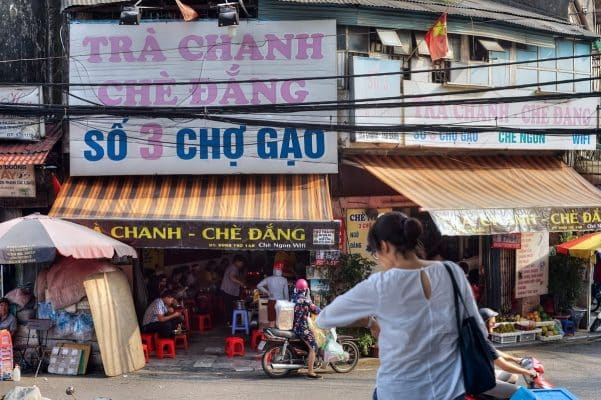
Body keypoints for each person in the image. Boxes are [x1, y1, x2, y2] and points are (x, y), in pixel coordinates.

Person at [316, 211, 481, 400]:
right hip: (450, 391)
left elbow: (325, 318)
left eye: (375, 252)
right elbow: (478, 328)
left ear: (385, 246)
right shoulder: (452, 272)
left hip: (399, 392)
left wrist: (370, 323)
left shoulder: (380, 284)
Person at [479, 308, 538, 399]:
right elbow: (504, 366)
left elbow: (495, 352)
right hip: (482, 383)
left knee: (513, 376)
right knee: (523, 393)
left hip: (481, 375)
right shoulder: (482, 341)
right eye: (492, 323)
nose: (494, 324)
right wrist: (528, 372)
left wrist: (516, 359)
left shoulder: (478, 336)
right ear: (484, 323)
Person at [292, 279, 321, 379]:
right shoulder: (305, 300)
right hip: (302, 327)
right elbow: (315, 310)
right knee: (314, 347)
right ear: (306, 289)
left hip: (295, 325)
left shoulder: (293, 298)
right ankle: (310, 371)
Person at [257, 262, 289, 327]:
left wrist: (268, 292)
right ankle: (279, 336)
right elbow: (286, 293)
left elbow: (258, 285)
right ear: (281, 270)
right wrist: (287, 303)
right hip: (281, 302)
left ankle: (271, 336)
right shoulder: (284, 280)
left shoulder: (268, 279)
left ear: (273, 270)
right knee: (281, 322)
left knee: (272, 322)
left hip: (272, 301)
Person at [220, 255, 246, 326]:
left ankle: (232, 322)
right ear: (237, 261)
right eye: (241, 263)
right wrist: (242, 284)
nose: (242, 265)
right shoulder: (233, 268)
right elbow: (232, 277)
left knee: (230, 308)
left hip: (229, 291)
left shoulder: (234, 268)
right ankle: (231, 323)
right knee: (230, 308)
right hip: (228, 291)